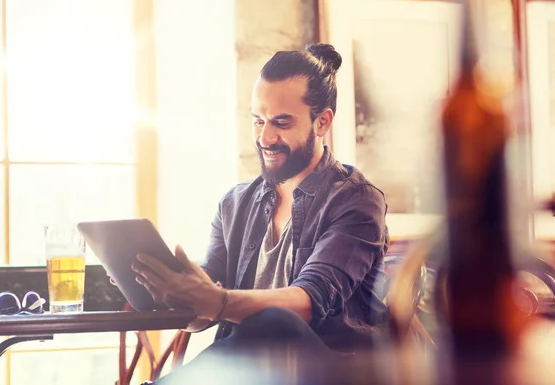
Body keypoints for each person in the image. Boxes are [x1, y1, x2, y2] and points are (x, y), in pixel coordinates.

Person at [132, 43, 390, 384]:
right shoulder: (235, 204)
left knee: (276, 321)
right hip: (250, 375)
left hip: (329, 372)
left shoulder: (356, 202)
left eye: (281, 122)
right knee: (266, 324)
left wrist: (219, 301)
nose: (265, 137)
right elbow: (202, 315)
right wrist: (170, 292)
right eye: (258, 121)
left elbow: (309, 302)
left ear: (322, 122)